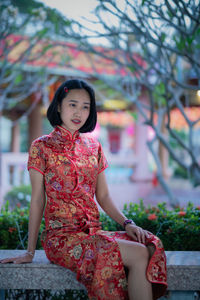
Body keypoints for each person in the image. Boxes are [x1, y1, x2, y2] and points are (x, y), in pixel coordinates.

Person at [0, 79, 167, 300]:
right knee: (136, 254)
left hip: (93, 234)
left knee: (149, 245)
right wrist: (30, 252)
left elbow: (104, 196)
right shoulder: (41, 147)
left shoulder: (93, 146)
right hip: (61, 238)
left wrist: (128, 223)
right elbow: (38, 200)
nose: (79, 112)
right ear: (59, 106)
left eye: (85, 106)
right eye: (73, 104)